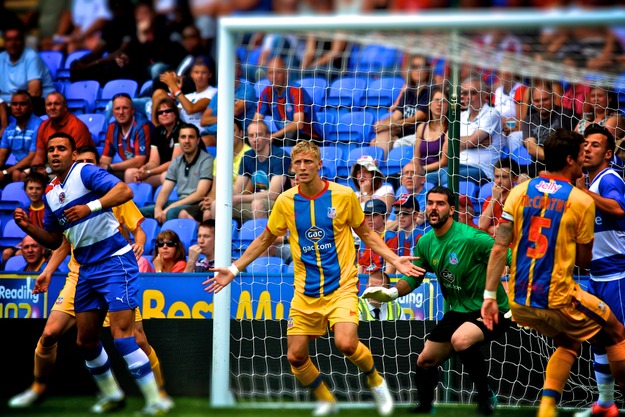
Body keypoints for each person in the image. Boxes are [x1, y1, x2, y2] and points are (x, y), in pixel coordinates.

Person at [205, 141, 425, 417]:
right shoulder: (285, 201)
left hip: (341, 285)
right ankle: (327, 401)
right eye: (297, 163)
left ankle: (375, 380)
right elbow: (265, 239)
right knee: (295, 356)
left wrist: (394, 260)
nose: (302, 167)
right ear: (292, 168)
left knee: (345, 343)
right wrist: (234, 269)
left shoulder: (343, 196)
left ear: (319, 165)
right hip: (305, 290)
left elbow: (367, 234)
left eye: (308, 162)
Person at [12, 132, 168, 414]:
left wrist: (89, 206)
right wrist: (28, 229)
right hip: (85, 270)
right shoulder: (50, 193)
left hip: (114, 262)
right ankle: (112, 395)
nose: (55, 153)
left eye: (62, 148)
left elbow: (125, 191)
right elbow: (55, 239)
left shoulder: (85, 172)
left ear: (73, 154)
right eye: (50, 149)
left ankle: (156, 400)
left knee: (124, 336)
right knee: (85, 342)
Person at [481, 129, 625, 417]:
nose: (585, 158)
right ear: (570, 160)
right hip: (558, 297)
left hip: (519, 300)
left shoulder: (520, 191)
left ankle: (548, 408)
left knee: (569, 341)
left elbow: (499, 248)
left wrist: (489, 296)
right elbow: (584, 261)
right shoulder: (581, 200)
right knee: (617, 333)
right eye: (581, 155)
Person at [363, 186, 510, 416]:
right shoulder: (425, 241)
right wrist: (390, 293)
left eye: (440, 204)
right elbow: (413, 278)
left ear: (451, 210)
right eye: (430, 203)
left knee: (461, 340)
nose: (434, 208)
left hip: (493, 309)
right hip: (459, 311)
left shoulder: (472, 238)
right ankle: (425, 406)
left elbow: (507, 255)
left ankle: (485, 396)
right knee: (425, 360)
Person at [573, 125, 625, 417]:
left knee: (619, 338)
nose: (588, 149)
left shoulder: (609, 178)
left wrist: (582, 193)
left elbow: (619, 209)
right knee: (597, 336)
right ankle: (606, 403)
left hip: (617, 275)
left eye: (595, 145)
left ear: (607, 153)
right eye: (585, 145)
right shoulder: (590, 183)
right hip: (596, 275)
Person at [140, 123, 213, 223]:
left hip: (197, 204)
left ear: (198, 140)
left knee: (171, 212)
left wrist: (172, 206)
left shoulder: (206, 160)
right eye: (183, 137)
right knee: (141, 213)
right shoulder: (177, 161)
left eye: (191, 137)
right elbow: (165, 190)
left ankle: (170, 238)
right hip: (180, 202)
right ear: (178, 140)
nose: (187, 141)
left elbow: (200, 194)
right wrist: (158, 208)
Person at [180, 119, 251, 222]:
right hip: (219, 201)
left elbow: (247, 192)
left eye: (232, 130)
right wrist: (209, 200)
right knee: (184, 214)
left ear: (240, 133)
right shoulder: (220, 157)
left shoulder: (250, 155)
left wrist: (216, 201)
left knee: (213, 210)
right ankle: (204, 234)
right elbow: (214, 189)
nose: (228, 134)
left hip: (238, 202)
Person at [439, 77, 504, 187]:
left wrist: (469, 143)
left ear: (484, 95)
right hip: (458, 165)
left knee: (449, 177)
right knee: (427, 178)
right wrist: (472, 143)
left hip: (481, 169)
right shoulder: (461, 116)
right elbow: (447, 144)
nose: (468, 97)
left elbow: (470, 142)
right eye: (465, 93)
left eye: (473, 93)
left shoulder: (492, 114)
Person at [371, 54, 433, 157]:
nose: (418, 70)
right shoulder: (408, 93)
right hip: (403, 132)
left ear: (427, 70)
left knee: (383, 133)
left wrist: (390, 124)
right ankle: (381, 166)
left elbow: (418, 117)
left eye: (421, 67)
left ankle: (380, 164)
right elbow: (396, 116)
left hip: (420, 134)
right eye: (414, 67)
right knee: (381, 133)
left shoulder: (430, 92)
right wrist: (383, 124)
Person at [254, 57, 322, 147]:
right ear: (267, 75)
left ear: (286, 73)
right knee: (252, 136)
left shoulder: (296, 90)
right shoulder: (267, 91)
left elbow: (298, 124)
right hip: (283, 136)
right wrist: (258, 134)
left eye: (278, 72)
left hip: (309, 138)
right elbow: (256, 120)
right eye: (271, 73)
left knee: (290, 134)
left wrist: (273, 136)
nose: (274, 76)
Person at [231, 120, 291, 224]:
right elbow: (237, 190)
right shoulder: (247, 157)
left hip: (281, 204)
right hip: (259, 203)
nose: (255, 139)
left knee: (257, 204)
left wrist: (239, 198)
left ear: (268, 136)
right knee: (217, 205)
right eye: (251, 135)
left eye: (259, 135)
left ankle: (263, 239)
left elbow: (273, 194)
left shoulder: (280, 156)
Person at [125, 97, 183, 188]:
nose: (164, 114)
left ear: (175, 114)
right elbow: (154, 162)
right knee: (130, 173)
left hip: (181, 173)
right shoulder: (158, 131)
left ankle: (169, 201)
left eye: (168, 111)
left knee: (166, 175)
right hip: (163, 172)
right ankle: (135, 202)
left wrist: (149, 173)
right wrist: (143, 169)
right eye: (160, 112)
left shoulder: (182, 130)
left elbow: (174, 163)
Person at [521, 81, 577, 173]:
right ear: (532, 102)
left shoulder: (567, 115)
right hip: (539, 166)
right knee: (522, 178)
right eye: (537, 101)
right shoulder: (529, 120)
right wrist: (553, 159)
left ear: (553, 98)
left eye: (545, 99)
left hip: (564, 167)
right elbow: (531, 147)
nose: (541, 103)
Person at [0, 23, 55, 114]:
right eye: (9, 40)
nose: (13, 43)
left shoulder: (31, 57)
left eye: (16, 39)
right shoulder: (1, 58)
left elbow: (34, 93)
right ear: (4, 42)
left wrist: (9, 106)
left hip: (34, 104)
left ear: (23, 41)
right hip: (7, 106)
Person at [199, 61, 256, 147]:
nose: (228, 71)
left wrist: (214, 118)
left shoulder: (247, 89)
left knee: (202, 142)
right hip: (212, 133)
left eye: (232, 68)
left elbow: (236, 111)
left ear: (240, 71)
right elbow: (203, 121)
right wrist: (224, 117)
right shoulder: (218, 94)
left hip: (234, 134)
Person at [154, 56, 217, 132]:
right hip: (180, 131)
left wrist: (175, 88)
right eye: (196, 72)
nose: (200, 76)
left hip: (197, 134)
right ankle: (157, 130)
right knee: (159, 93)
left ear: (210, 74)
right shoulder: (189, 96)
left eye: (203, 72)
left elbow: (191, 109)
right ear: (191, 74)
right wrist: (173, 96)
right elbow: (173, 113)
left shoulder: (213, 92)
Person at [32, 92, 94, 166]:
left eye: (56, 104)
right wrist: (34, 172)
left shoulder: (77, 126)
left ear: (65, 107)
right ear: (45, 108)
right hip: (51, 166)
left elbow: (78, 159)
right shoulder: (43, 125)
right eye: (49, 104)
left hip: (73, 167)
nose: (52, 107)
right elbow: (39, 156)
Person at [100, 93, 153, 178]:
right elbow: (105, 158)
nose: (121, 112)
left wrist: (110, 167)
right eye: (117, 109)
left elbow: (139, 161)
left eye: (125, 108)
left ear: (132, 110)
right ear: (113, 112)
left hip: (147, 170)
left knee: (129, 173)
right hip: (128, 170)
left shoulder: (142, 126)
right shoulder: (112, 127)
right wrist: (102, 167)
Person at [2, 172, 48, 266]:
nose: (34, 191)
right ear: (25, 191)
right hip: (30, 244)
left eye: (38, 188)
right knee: (6, 253)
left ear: (43, 190)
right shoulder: (23, 211)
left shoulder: (50, 210)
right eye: (30, 188)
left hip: (48, 244)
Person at [0, 91, 43, 183]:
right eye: (14, 104)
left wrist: (5, 172)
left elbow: (32, 157)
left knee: (16, 174)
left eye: (22, 104)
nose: (18, 107)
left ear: (30, 107)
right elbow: (1, 156)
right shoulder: (9, 129)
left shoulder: (39, 126)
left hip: (36, 168)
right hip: (17, 168)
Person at [413, 86, 449, 185]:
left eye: (444, 101)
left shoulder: (450, 129)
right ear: (429, 105)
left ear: (448, 106)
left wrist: (421, 170)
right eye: (436, 100)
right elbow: (416, 156)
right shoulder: (421, 127)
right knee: (393, 178)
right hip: (419, 171)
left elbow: (444, 162)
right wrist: (413, 170)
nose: (439, 104)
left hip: (436, 171)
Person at [478, 159, 520, 237]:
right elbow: (481, 226)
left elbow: (506, 230)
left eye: (504, 177)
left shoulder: (518, 199)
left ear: (515, 179)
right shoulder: (489, 199)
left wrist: (488, 228)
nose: (499, 181)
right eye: (496, 177)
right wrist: (493, 200)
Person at [385, 194, 423, 275]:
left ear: (415, 215)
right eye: (397, 212)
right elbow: (390, 270)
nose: (401, 216)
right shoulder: (395, 237)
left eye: (405, 213)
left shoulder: (422, 237)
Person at [358, 199, 389, 275]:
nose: (369, 219)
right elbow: (360, 269)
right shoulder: (363, 238)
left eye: (374, 215)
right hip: (364, 282)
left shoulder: (390, 237)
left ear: (384, 217)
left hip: (381, 282)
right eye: (367, 215)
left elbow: (389, 272)